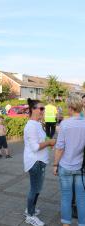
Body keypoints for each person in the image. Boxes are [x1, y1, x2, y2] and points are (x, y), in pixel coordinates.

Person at [53, 94, 85, 226]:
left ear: (71, 107)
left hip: (65, 166)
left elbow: (60, 148)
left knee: (66, 197)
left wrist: (55, 164)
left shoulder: (65, 124)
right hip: (81, 167)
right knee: (81, 198)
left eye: (68, 107)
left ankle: (66, 224)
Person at [24, 98, 56, 226]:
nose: (43, 111)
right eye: (41, 108)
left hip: (40, 161)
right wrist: (49, 142)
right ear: (33, 109)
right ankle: (30, 215)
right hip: (35, 162)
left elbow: (41, 140)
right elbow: (35, 147)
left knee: (37, 189)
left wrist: (49, 142)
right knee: (34, 189)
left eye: (44, 108)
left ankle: (30, 209)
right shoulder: (31, 126)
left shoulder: (37, 124)